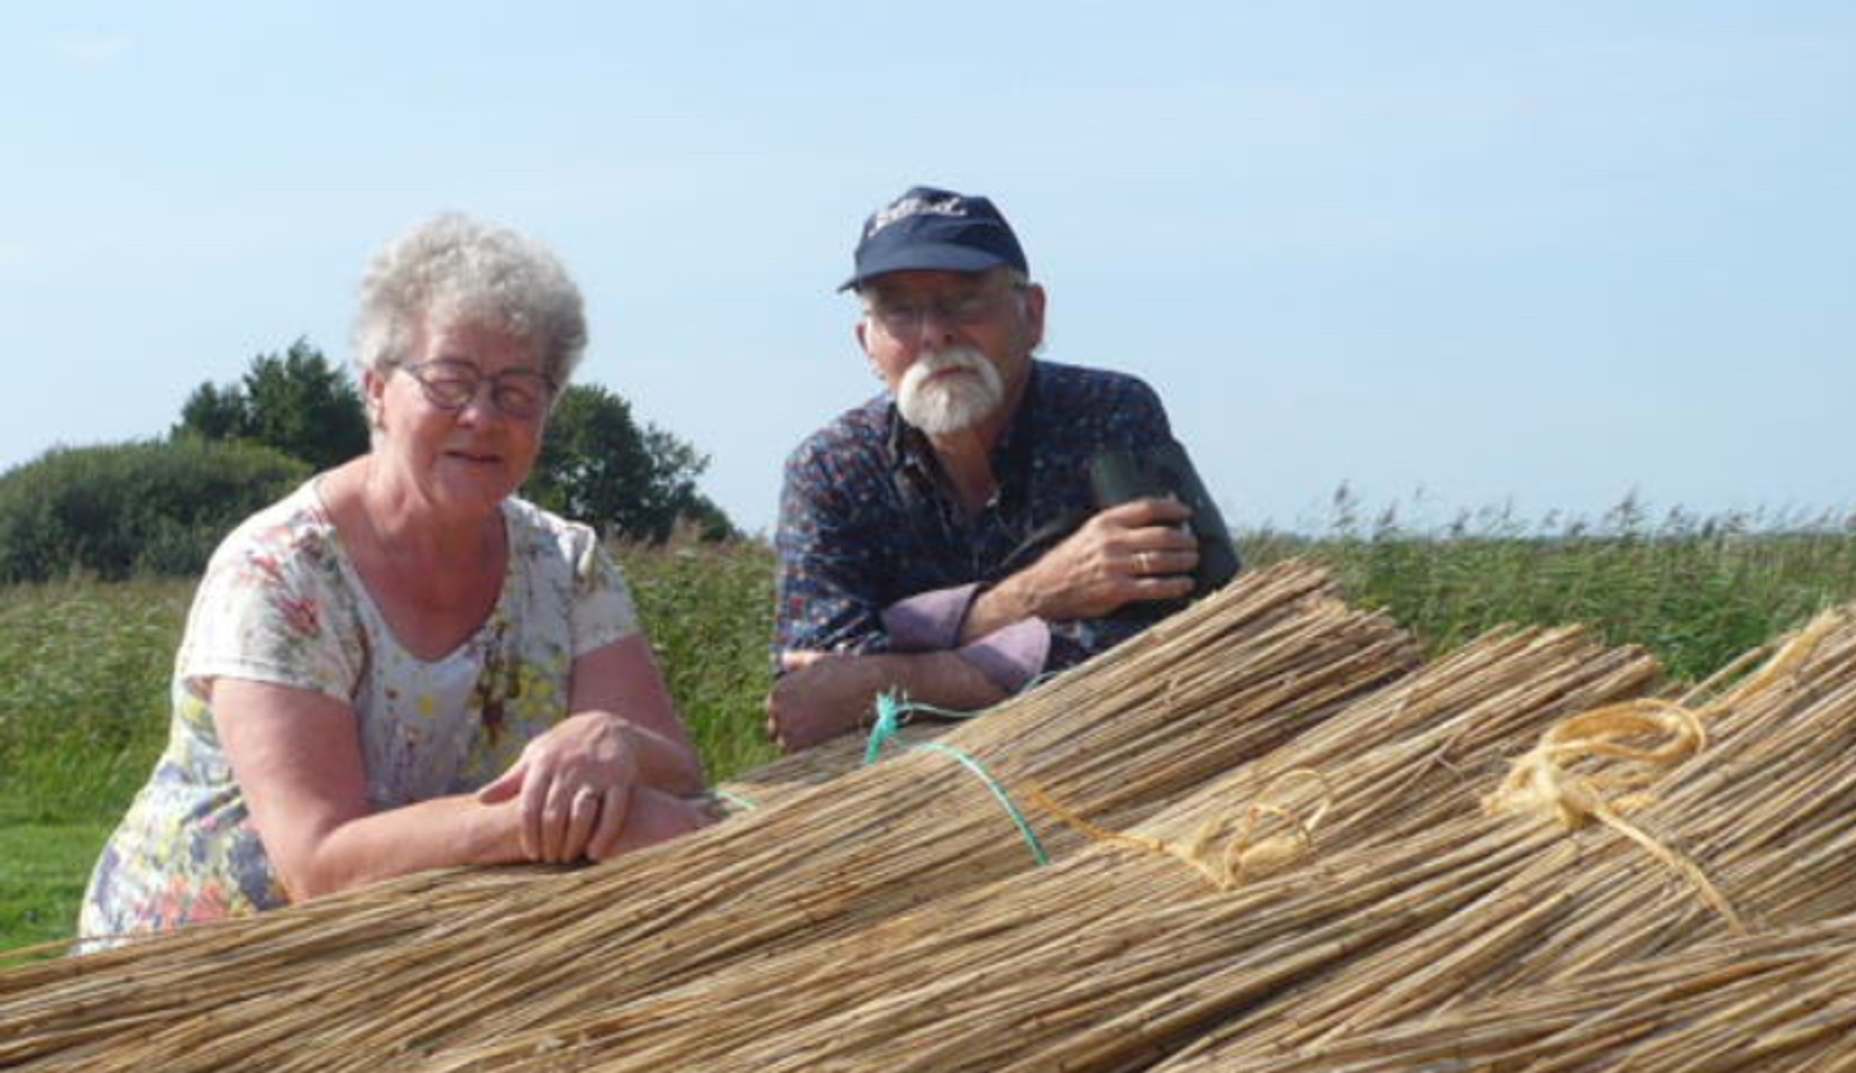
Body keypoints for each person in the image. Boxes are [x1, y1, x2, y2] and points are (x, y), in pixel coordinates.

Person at [78, 214, 712, 946]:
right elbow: (321, 864)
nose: (480, 415)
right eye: (450, 380)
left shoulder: (566, 565)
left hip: (408, 957)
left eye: (516, 391)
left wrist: (615, 742)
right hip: (200, 974)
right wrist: (571, 821)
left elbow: (678, 770)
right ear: (376, 389)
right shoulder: (280, 574)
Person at [767, 186, 1238, 752]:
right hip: (907, 795)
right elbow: (816, 696)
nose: (933, 333)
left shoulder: (1109, 415)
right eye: (899, 309)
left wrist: (891, 665)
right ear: (867, 343)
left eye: (964, 300)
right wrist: (1040, 594)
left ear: (1033, 315)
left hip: (1110, 759)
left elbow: (1169, 640)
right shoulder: (829, 470)